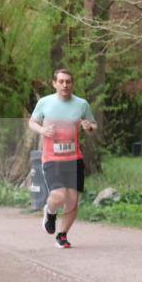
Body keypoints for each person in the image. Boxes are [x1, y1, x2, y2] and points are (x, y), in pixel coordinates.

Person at [28, 69, 97, 249]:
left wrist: (88, 127)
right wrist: (42, 130)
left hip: (74, 159)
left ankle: (62, 235)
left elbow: (92, 127)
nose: (65, 85)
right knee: (59, 195)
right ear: (54, 83)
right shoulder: (45, 103)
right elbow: (32, 122)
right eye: (61, 81)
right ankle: (50, 212)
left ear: (72, 84)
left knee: (73, 200)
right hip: (52, 158)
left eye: (68, 82)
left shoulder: (81, 104)